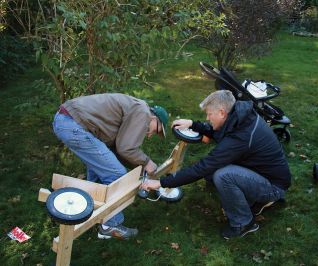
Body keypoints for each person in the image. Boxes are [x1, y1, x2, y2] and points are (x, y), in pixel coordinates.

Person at [141, 90, 291, 239]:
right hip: (260, 173)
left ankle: (243, 222)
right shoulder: (239, 117)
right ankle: (252, 199)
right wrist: (193, 124)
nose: (207, 117)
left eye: (209, 114)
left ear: (221, 112)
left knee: (223, 175)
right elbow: (218, 131)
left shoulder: (241, 136)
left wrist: (162, 182)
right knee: (213, 172)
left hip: (273, 185)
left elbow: (203, 167)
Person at [52, 93, 168, 240]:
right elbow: (126, 148)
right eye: (156, 130)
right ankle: (110, 225)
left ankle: (91, 213)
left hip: (68, 121)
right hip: (74, 125)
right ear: (154, 118)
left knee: (99, 173)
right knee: (118, 175)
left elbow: (118, 149)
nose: (151, 135)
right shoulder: (143, 112)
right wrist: (146, 162)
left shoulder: (136, 108)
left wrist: (138, 167)